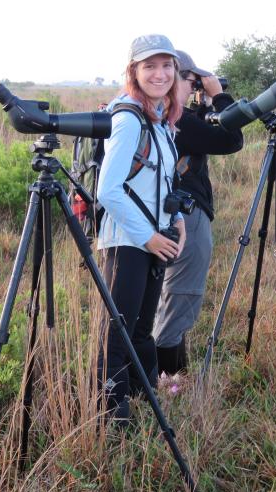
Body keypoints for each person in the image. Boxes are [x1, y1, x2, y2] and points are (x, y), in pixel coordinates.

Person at [96, 34, 186, 421]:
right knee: (116, 335)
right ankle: (112, 419)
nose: (160, 73)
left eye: (167, 66)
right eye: (149, 66)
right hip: (128, 242)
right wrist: (148, 237)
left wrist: (176, 221)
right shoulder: (130, 117)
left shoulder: (160, 117)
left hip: (153, 239)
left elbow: (160, 181)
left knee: (140, 331)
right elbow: (108, 190)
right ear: (133, 71)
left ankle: (143, 401)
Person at [153, 50, 244, 375]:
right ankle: (169, 378)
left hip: (160, 215)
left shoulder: (157, 115)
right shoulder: (178, 120)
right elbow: (232, 140)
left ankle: (166, 373)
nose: (193, 89)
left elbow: (198, 133)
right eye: (191, 82)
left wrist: (203, 105)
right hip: (186, 218)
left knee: (166, 296)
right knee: (181, 296)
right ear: (174, 79)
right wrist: (220, 98)